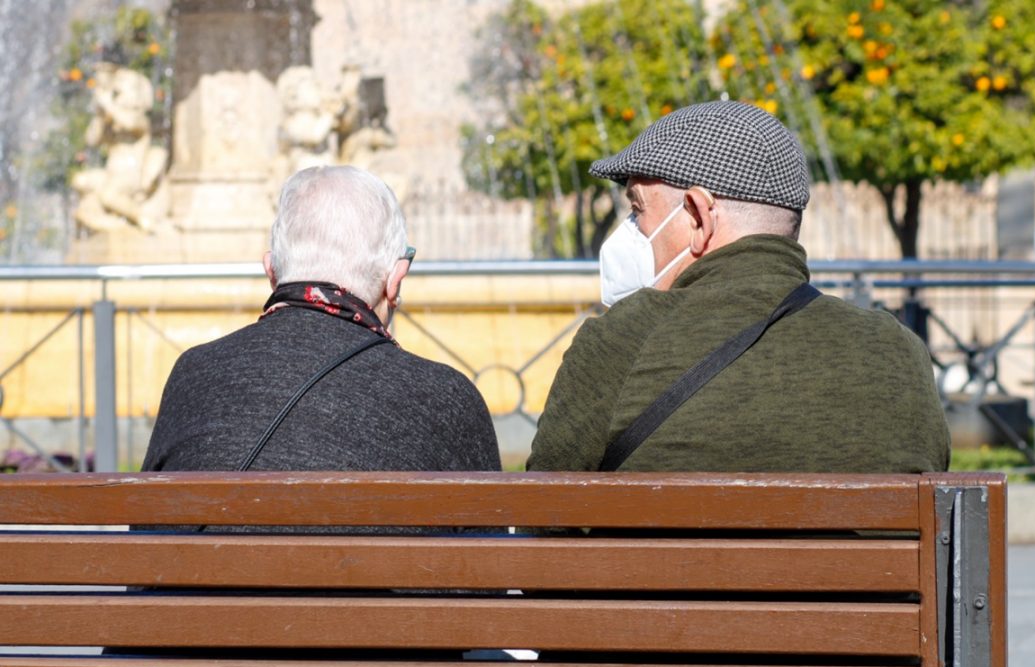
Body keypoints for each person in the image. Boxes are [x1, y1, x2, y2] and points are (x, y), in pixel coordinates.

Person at [527, 101, 949, 474]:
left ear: (698, 216)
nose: (631, 229)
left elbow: (541, 519)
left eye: (638, 208)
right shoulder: (897, 352)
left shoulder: (621, 342)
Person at [144, 165, 501, 477]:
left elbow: (147, 525)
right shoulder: (447, 397)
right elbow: (490, 549)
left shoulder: (194, 374)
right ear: (395, 280)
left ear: (272, 271)